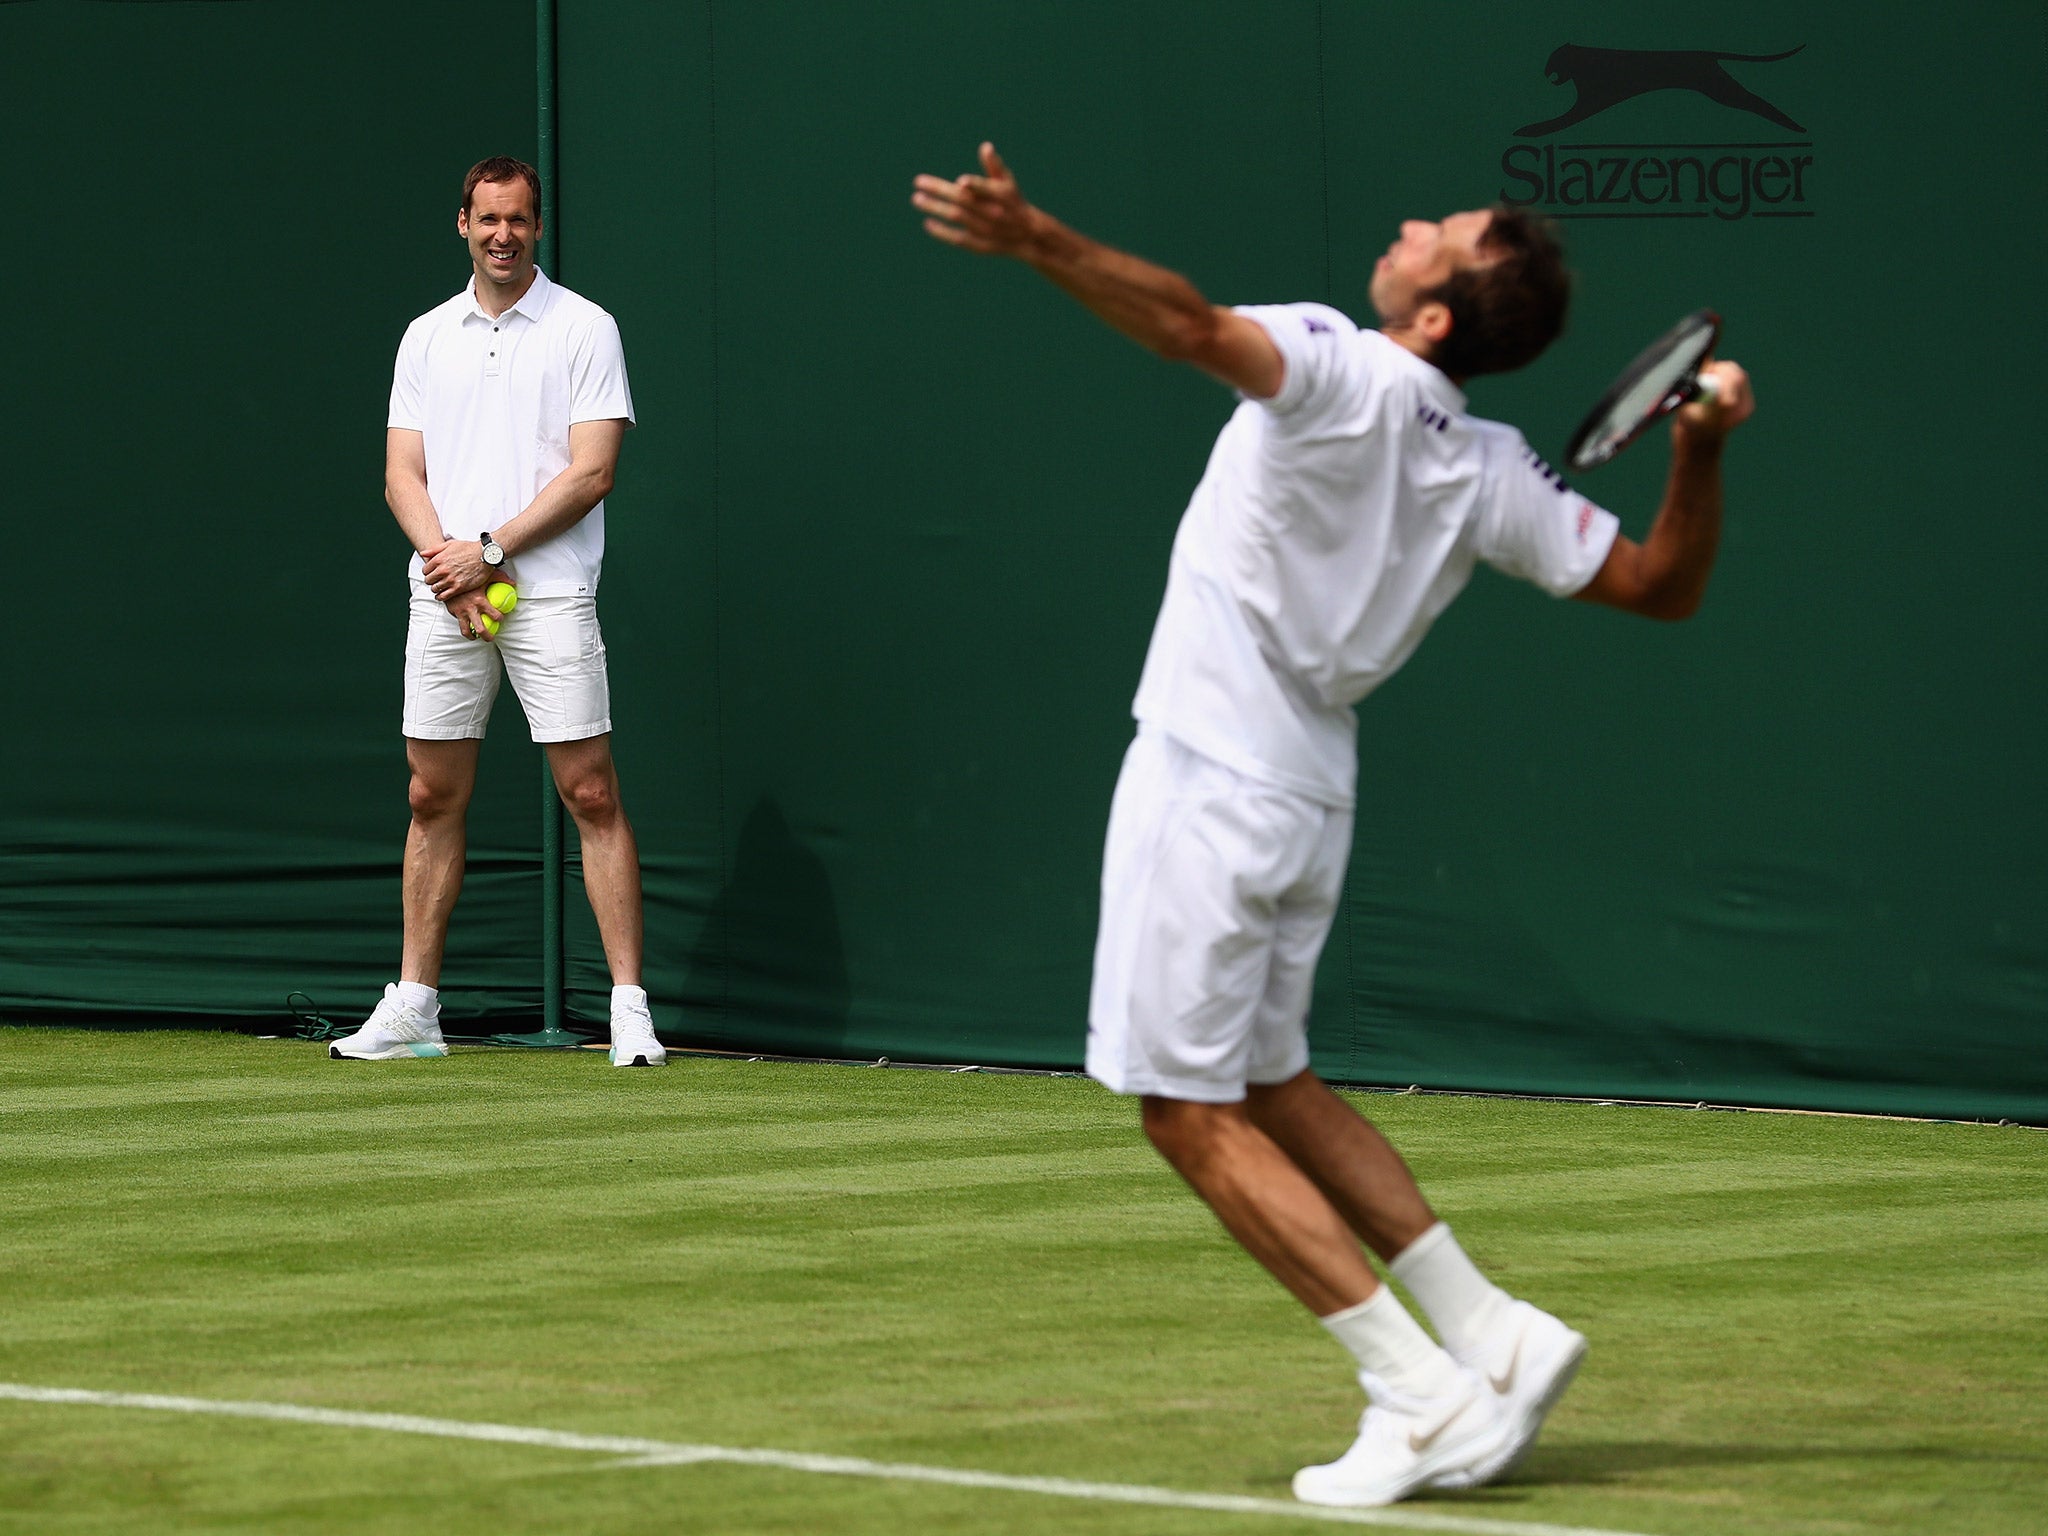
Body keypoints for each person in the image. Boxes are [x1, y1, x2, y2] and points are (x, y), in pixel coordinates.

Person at [911, 144, 1752, 1507]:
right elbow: (1662, 584)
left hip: (1211, 773)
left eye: (1445, 232)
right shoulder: (1491, 467)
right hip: (1307, 793)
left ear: (1432, 315)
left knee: (1183, 1114)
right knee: (1268, 1087)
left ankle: (1413, 1397)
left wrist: (1036, 239)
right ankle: (1490, 1335)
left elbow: (1189, 327)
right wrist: (1702, 449)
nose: (1415, 220)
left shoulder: (1340, 357)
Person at [328, 155, 665, 1069]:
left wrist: (488, 551)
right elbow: (402, 473)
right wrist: (453, 565)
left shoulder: (586, 328)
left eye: (519, 220)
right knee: (431, 793)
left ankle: (629, 1008)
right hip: (447, 591)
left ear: (539, 228)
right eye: (489, 220)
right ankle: (415, 1007)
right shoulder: (424, 336)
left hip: (546, 591)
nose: (504, 235)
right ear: (464, 225)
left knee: (590, 789)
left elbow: (593, 472)